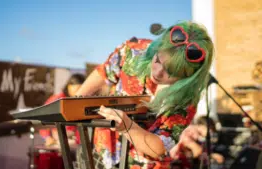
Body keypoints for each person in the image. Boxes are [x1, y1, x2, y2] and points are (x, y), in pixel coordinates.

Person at [75, 21, 214, 169]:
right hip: (103, 151)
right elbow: (104, 72)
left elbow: (159, 149)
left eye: (171, 73)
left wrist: (127, 127)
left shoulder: (186, 98)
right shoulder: (134, 51)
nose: (158, 72)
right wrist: (75, 100)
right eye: (158, 60)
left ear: (187, 77)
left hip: (144, 164)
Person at [39, 73, 85, 147]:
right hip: (57, 140)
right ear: (69, 86)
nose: (79, 92)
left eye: (82, 89)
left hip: (74, 140)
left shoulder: (81, 101)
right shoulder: (57, 100)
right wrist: (48, 137)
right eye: (77, 89)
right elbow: (43, 118)